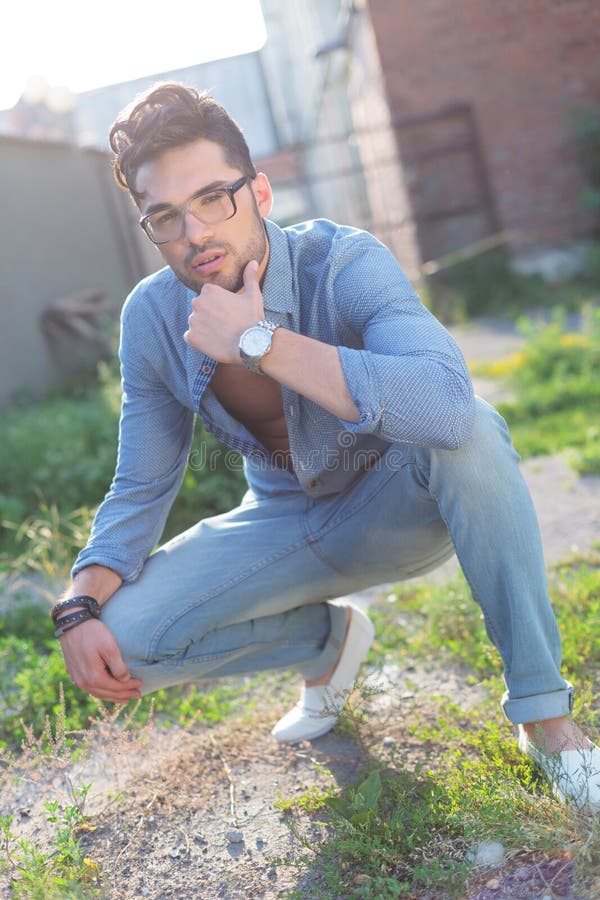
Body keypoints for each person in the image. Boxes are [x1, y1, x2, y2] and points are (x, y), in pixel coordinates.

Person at [53, 82, 599, 811]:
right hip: (281, 520)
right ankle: (326, 643)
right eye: (166, 217)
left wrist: (259, 342)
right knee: (126, 637)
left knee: (470, 431)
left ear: (262, 192)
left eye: (215, 198)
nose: (195, 234)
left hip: (393, 504)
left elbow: (442, 403)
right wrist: (78, 606)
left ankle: (545, 719)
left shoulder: (343, 262)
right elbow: (141, 483)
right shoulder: (151, 317)